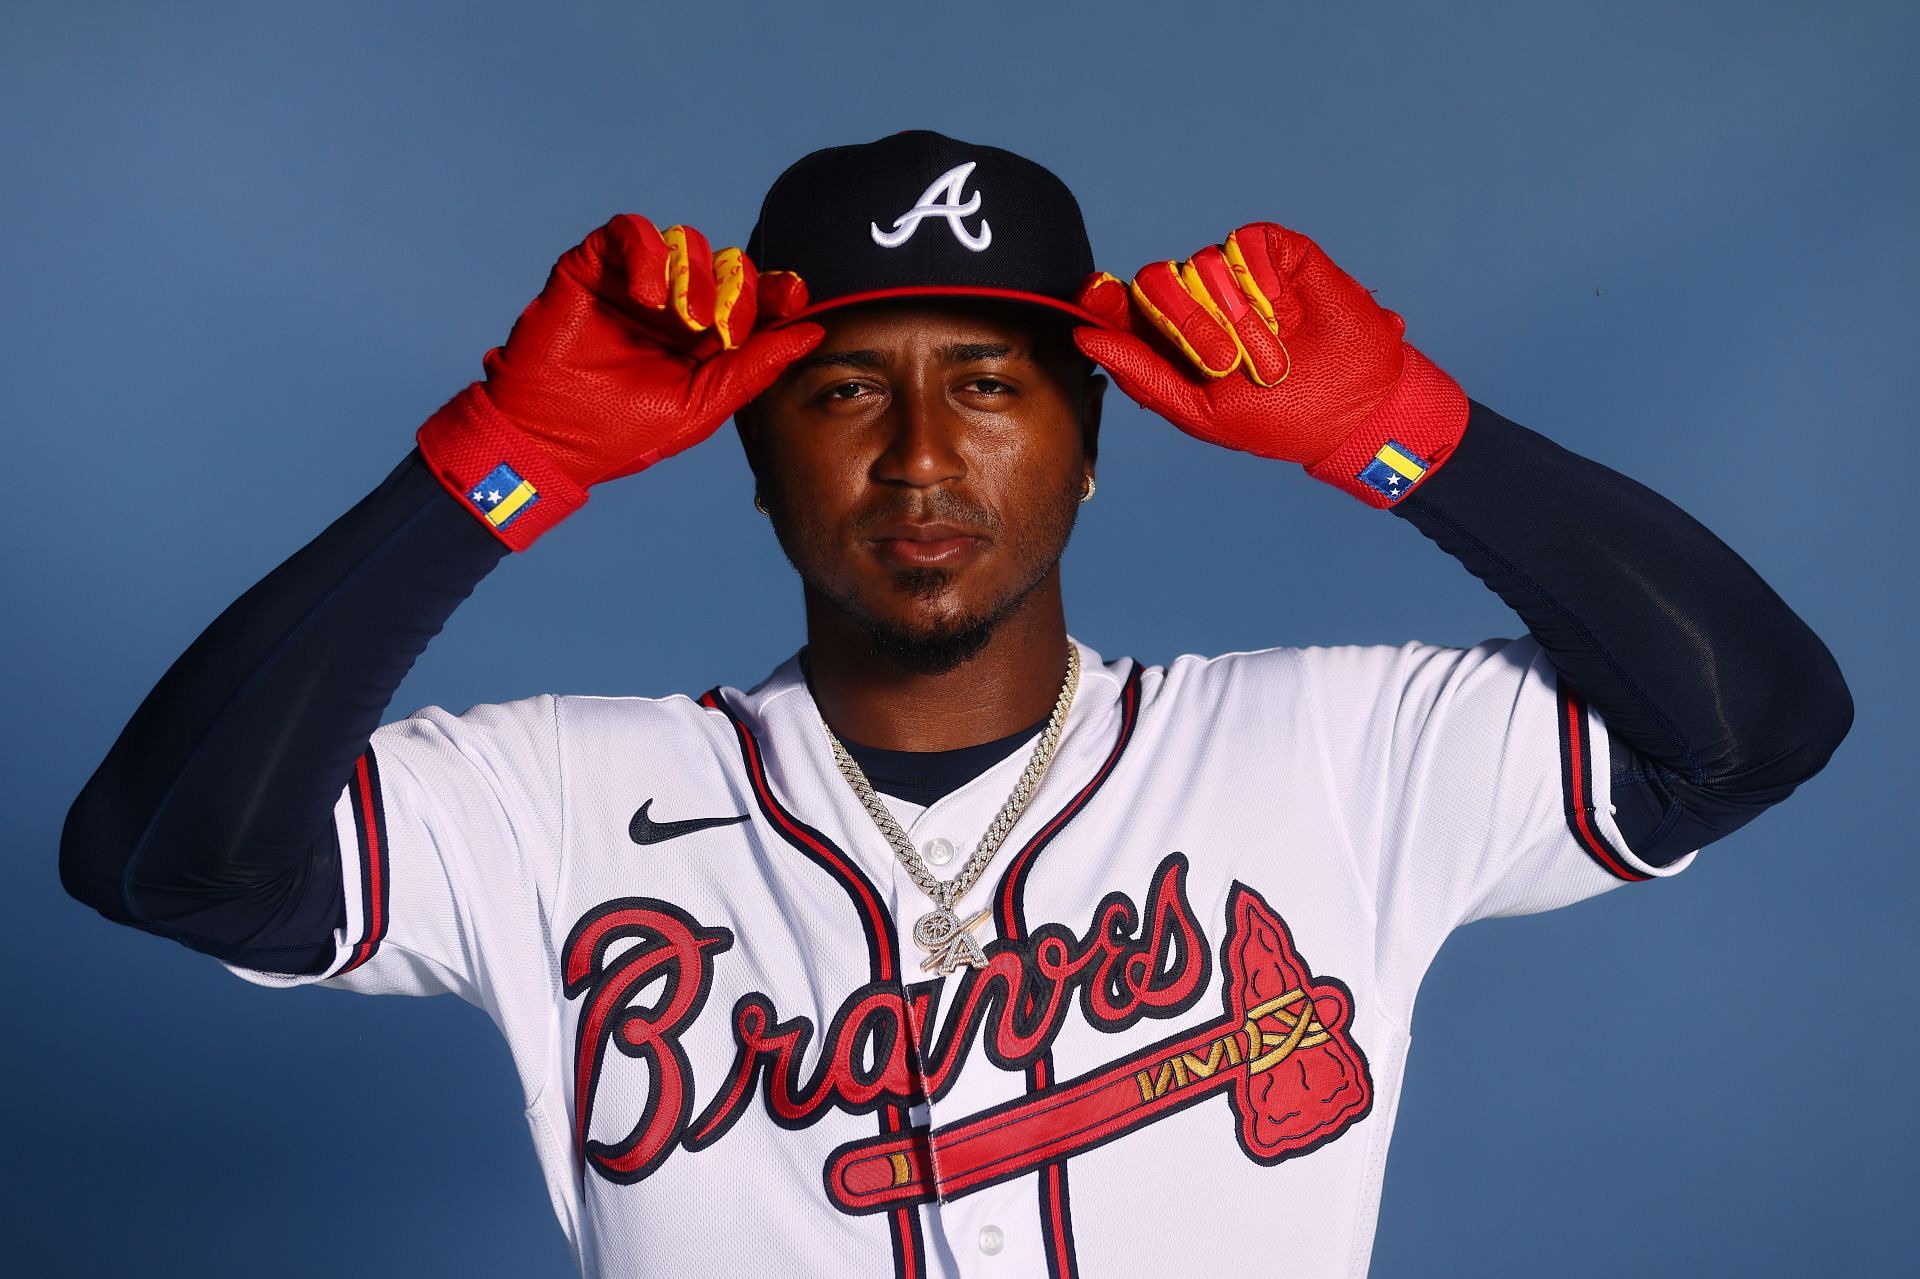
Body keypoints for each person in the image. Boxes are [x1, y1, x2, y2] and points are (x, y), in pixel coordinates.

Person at [61, 130, 1851, 1277]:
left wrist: (1412, 436)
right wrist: (497, 460)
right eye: (846, 393)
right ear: (747, 455)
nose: (923, 455)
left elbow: (1755, 723)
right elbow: (171, 862)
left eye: (991, 383)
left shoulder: (1336, 751)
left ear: (1092, 452)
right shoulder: (556, 801)